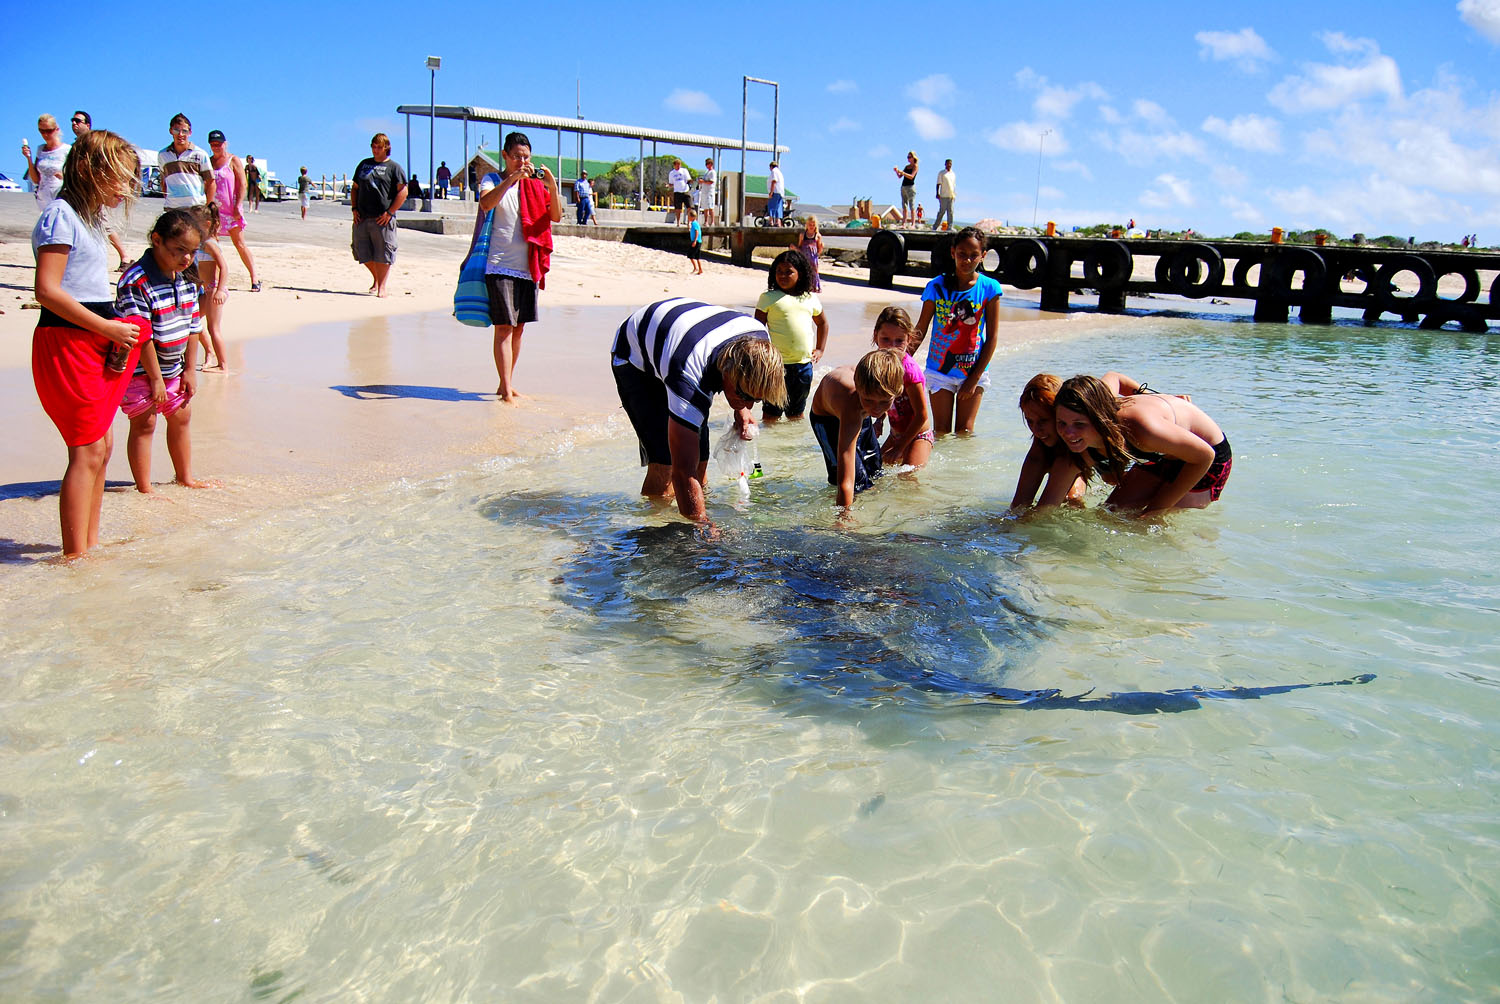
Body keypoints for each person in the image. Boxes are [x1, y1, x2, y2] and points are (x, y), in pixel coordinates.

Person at [29, 130, 144, 559]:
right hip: (65, 340)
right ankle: (75, 558)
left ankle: (89, 546)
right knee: (87, 447)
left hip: (94, 338)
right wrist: (109, 329)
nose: (127, 187)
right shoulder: (60, 215)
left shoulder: (92, 219)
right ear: (87, 170)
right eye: (120, 178)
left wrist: (113, 331)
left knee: (102, 444)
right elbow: (47, 290)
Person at [611, 298, 787, 524]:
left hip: (685, 339)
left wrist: (740, 409)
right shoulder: (687, 373)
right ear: (726, 371)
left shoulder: (761, 341)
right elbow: (683, 471)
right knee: (666, 464)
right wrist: (703, 526)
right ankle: (652, 522)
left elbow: (744, 385)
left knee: (701, 459)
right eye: (744, 396)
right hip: (636, 358)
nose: (750, 405)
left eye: (757, 399)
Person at [116, 208, 210, 492]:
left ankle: (185, 478)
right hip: (140, 370)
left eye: (192, 252)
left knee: (181, 417)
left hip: (173, 369)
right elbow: (141, 334)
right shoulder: (136, 281)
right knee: (144, 424)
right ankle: (144, 488)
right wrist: (155, 379)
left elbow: (194, 327)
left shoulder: (184, 278)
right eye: (179, 250)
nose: (186, 258)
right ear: (156, 240)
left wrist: (190, 370)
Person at [1053, 373, 1232, 517]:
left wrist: (1155, 511)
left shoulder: (1143, 430)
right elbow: (1115, 377)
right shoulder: (1094, 396)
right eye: (1061, 423)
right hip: (1162, 457)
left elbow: (1205, 456)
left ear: (1099, 416)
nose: (1068, 434)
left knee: (1149, 522)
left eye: (1079, 424)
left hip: (1207, 458)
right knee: (1109, 515)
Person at [472, 130, 562, 401]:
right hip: (499, 265)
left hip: (527, 266)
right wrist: (510, 180)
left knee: (519, 327)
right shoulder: (492, 179)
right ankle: (506, 390)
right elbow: (486, 204)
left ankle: (506, 384)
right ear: (505, 156)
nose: (522, 162)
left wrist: (552, 186)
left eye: (526, 157)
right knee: (504, 327)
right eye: (517, 157)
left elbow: (555, 216)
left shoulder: (535, 186)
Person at [911, 226, 1001, 435]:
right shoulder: (936, 286)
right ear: (953, 253)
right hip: (939, 370)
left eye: (973, 255)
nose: (967, 260)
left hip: (973, 371)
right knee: (941, 431)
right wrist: (901, 361)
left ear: (983, 256)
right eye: (962, 254)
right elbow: (921, 329)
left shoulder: (990, 288)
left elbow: (992, 337)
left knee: (965, 432)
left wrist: (973, 379)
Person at [809, 349, 905, 509]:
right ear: (859, 388)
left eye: (884, 402)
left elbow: (875, 403)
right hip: (827, 419)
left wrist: (879, 419)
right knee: (856, 482)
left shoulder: (874, 393)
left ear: (897, 392)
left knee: (875, 470)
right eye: (870, 400)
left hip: (860, 409)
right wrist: (844, 517)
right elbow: (846, 481)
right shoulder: (853, 405)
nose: (876, 408)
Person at [754, 249, 826, 423]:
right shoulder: (768, 298)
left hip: (803, 366)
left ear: (799, 274)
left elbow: (823, 323)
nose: (783, 276)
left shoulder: (809, 298)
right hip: (776, 367)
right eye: (779, 271)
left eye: (789, 272)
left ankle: (793, 447)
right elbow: (756, 328)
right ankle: (770, 448)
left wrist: (820, 349)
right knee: (771, 415)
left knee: (796, 415)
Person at [1009, 373, 1085, 510]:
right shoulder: (1039, 448)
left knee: (1072, 499)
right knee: (1018, 509)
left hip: (1077, 461)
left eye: (1043, 421)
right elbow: (1017, 507)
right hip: (1058, 457)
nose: (1036, 430)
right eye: (1029, 421)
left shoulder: (1084, 433)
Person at [870, 306, 933, 468]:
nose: (892, 346)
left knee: (907, 478)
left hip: (919, 435)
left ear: (909, 339)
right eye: (886, 339)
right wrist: (880, 420)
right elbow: (884, 397)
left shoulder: (910, 371)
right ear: (876, 335)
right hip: (896, 434)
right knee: (875, 471)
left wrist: (899, 448)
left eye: (899, 341)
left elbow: (922, 415)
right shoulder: (878, 364)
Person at [350, 132, 409, 298]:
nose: (375, 150)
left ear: (386, 148)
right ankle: (376, 278)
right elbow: (355, 188)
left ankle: (381, 286)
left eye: (379, 147)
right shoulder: (363, 165)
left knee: (383, 253)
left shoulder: (394, 168)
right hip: (362, 215)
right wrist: (354, 208)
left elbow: (403, 192)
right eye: (373, 147)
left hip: (382, 217)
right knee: (361, 251)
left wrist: (390, 213)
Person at [66, 111, 129, 266]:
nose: (74, 123)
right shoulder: (74, 146)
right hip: (79, 196)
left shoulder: (97, 145)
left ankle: (125, 256)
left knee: (103, 224)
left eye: (78, 121)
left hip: (95, 195)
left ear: (87, 125)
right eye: (72, 121)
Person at [207, 130, 260, 291]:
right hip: (213, 210)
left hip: (231, 209)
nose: (216, 147)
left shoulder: (233, 160)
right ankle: (214, 281)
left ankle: (254, 278)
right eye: (213, 144)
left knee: (239, 243)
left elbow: (242, 184)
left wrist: (238, 205)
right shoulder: (207, 162)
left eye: (219, 144)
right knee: (213, 245)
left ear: (225, 143)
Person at [187, 203, 230, 371]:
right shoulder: (200, 243)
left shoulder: (210, 244)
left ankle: (223, 364)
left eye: (193, 223)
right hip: (205, 290)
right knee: (193, 320)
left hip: (214, 290)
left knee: (213, 328)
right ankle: (209, 353)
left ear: (206, 224)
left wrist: (219, 290)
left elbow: (224, 267)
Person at [159, 114, 215, 210]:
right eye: (176, 130)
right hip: (172, 210)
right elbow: (164, 182)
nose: (180, 134)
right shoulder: (163, 155)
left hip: (195, 210)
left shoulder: (201, 154)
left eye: (184, 131)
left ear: (190, 133)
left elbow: (211, 183)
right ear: (171, 131)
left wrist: (206, 208)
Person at [22, 114, 70, 212]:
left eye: (49, 131)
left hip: (60, 197)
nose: (45, 135)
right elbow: (36, 179)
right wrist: (28, 158)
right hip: (43, 199)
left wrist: (64, 175)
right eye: (42, 131)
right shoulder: (40, 149)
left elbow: (75, 177)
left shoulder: (67, 150)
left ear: (56, 129)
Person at [797, 216, 825, 292]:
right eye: (810, 224)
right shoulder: (803, 235)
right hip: (804, 256)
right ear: (807, 225)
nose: (811, 226)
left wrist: (821, 249)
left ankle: (814, 286)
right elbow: (799, 246)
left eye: (813, 225)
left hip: (813, 257)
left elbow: (819, 249)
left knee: (814, 272)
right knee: (804, 270)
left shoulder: (817, 236)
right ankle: (804, 286)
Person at [893, 151, 918, 228]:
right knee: (904, 206)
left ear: (913, 157)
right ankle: (904, 223)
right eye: (908, 157)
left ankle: (913, 224)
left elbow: (911, 176)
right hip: (904, 186)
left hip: (910, 187)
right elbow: (900, 176)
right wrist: (897, 171)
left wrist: (903, 173)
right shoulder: (907, 167)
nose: (908, 159)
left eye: (910, 157)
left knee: (912, 206)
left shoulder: (915, 166)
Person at [933, 159, 956, 231]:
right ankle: (935, 226)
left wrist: (954, 195)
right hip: (943, 195)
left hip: (951, 195)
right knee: (942, 211)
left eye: (950, 164)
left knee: (951, 212)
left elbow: (953, 185)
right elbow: (938, 183)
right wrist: (937, 193)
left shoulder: (953, 174)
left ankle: (950, 227)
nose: (949, 165)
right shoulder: (942, 173)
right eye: (948, 163)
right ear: (945, 164)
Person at [667, 158, 691, 225]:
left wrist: (690, 182)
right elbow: (671, 183)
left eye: (680, 164)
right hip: (677, 192)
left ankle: (689, 222)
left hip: (685, 190)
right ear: (674, 165)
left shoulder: (684, 171)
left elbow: (688, 179)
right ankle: (678, 222)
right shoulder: (671, 173)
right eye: (677, 165)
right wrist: (668, 185)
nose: (679, 166)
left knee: (689, 207)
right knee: (678, 208)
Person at [697, 157, 717, 225]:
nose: (706, 165)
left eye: (708, 163)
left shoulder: (713, 172)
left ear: (711, 164)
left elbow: (711, 182)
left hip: (709, 192)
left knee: (710, 207)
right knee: (705, 208)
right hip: (704, 192)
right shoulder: (706, 172)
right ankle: (706, 221)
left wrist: (703, 181)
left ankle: (713, 221)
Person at [767, 160, 786, 226]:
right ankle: (778, 222)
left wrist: (771, 192)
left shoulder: (774, 171)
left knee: (771, 206)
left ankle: (771, 221)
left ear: (771, 167)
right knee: (778, 207)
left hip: (775, 192)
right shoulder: (780, 173)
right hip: (780, 192)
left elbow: (774, 181)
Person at [687, 208, 703, 275]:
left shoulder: (694, 223)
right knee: (697, 257)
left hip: (696, 241)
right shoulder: (695, 223)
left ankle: (695, 268)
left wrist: (695, 241)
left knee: (690, 255)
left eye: (689, 216)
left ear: (692, 217)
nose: (688, 218)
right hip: (698, 241)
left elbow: (697, 232)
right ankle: (700, 269)